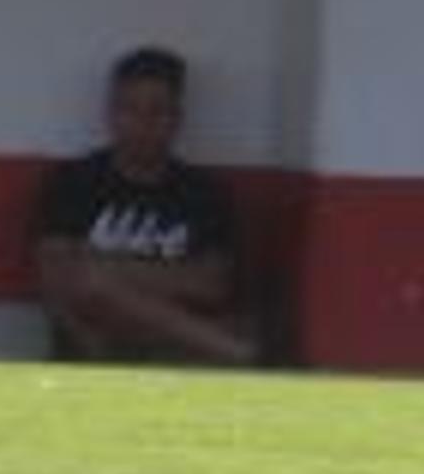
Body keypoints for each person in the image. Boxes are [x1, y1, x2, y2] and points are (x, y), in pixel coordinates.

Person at [32, 46, 260, 367]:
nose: (142, 124)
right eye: (129, 109)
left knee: (97, 283)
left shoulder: (205, 192)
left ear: (178, 118)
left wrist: (108, 272)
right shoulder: (74, 181)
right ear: (110, 113)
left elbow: (211, 285)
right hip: (94, 349)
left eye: (157, 111)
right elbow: (58, 281)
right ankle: (232, 348)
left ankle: (216, 343)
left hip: (178, 355)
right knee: (92, 283)